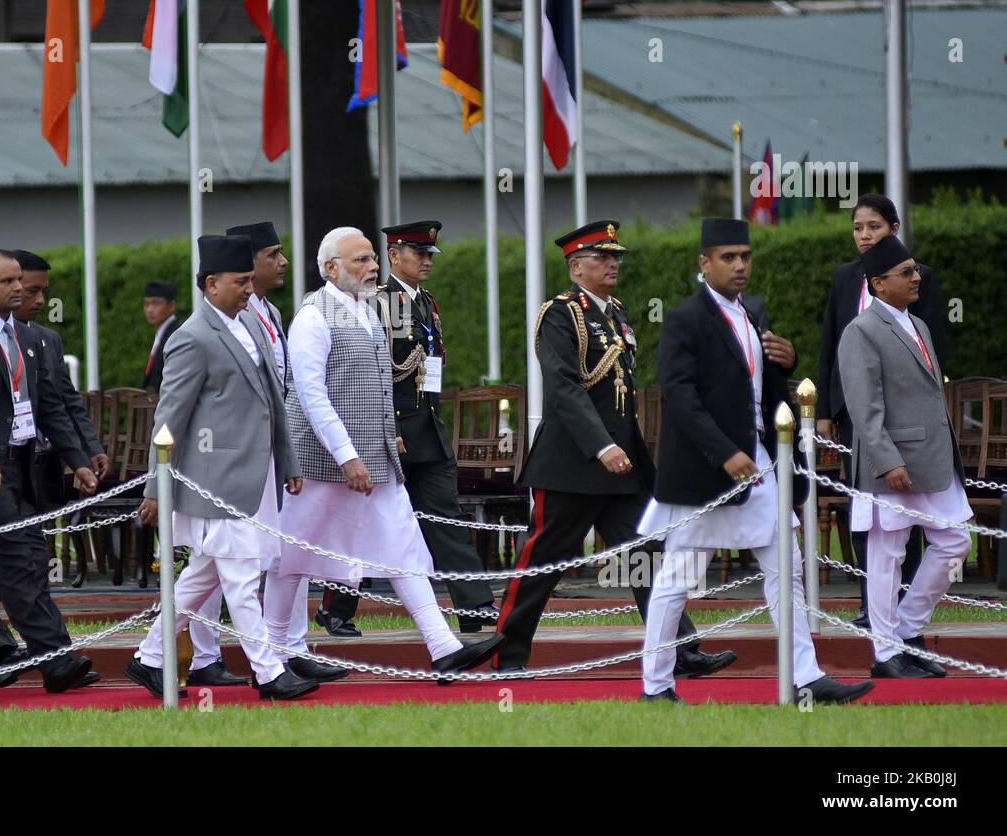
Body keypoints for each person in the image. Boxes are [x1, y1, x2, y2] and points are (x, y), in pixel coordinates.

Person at [637, 218, 873, 705]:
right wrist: (724, 452)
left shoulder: (755, 310)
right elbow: (680, 397)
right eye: (728, 257)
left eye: (745, 256)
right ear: (705, 263)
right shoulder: (684, 319)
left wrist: (786, 361)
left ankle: (805, 676)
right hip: (706, 472)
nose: (740, 265)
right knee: (677, 579)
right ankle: (656, 686)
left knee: (786, 566)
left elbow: (758, 387)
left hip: (762, 464)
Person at [493, 222, 735, 677]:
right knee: (541, 564)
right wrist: (600, 445)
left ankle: (678, 652)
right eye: (602, 258)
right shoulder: (560, 313)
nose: (612, 265)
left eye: (615, 258)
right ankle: (506, 656)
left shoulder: (615, 312)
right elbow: (564, 388)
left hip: (623, 467)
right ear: (576, 266)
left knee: (650, 556)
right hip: (572, 463)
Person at [263, 227, 505, 679]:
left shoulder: (366, 311)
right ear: (331, 268)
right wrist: (346, 456)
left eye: (373, 259)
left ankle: (442, 645)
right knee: (291, 556)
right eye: (361, 261)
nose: (373, 267)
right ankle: (276, 654)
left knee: (405, 547)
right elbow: (311, 395)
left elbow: (378, 388)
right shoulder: (313, 317)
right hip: (321, 464)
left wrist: (387, 434)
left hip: (374, 457)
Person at [128, 235, 319, 701]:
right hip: (214, 481)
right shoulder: (191, 338)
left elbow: (274, 403)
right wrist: (157, 486)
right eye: (242, 281)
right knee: (240, 574)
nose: (251, 289)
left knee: (204, 575)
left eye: (252, 279)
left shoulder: (249, 326)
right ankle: (269, 671)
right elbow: (168, 419)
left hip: (255, 477)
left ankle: (149, 658)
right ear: (211, 283)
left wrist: (288, 460)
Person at [0, 248, 101, 694]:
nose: (17, 289)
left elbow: (49, 407)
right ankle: (56, 659)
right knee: (22, 560)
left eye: (18, 281)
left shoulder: (26, 338)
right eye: (6, 282)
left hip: (23, 467)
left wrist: (78, 461)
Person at [320, 221, 497, 636]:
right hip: (390, 431)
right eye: (417, 253)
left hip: (426, 430)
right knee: (366, 521)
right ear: (394, 256)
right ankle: (335, 607)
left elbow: (428, 368)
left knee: (445, 519)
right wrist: (377, 432)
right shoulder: (375, 301)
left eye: (429, 255)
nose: (425, 261)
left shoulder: (426, 303)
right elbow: (364, 371)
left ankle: (475, 603)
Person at [839, 235, 971, 678]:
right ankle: (884, 655)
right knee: (886, 555)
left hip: (932, 461)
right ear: (879, 283)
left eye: (915, 270)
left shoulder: (919, 324)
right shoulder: (861, 331)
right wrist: (887, 460)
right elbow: (864, 408)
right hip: (892, 465)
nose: (917, 278)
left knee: (956, 540)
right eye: (907, 273)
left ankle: (905, 632)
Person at [816, 194, 945, 627]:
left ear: (893, 228)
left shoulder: (919, 280)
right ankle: (872, 608)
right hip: (858, 415)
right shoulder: (844, 277)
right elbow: (831, 344)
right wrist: (825, 410)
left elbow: (932, 353)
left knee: (910, 522)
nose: (865, 235)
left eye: (874, 226)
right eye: (858, 227)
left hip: (907, 420)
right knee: (871, 518)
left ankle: (898, 608)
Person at [13, 250, 109, 590]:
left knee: (32, 552)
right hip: (3, 465)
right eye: (31, 290)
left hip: (42, 463)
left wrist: (89, 449)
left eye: (44, 291)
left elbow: (67, 401)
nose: (40, 299)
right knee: (13, 556)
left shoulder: (47, 339)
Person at [142, 280, 181, 393]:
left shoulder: (176, 335)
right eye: (146, 304)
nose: (150, 309)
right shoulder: (161, 334)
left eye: (156, 303)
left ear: (172, 306)